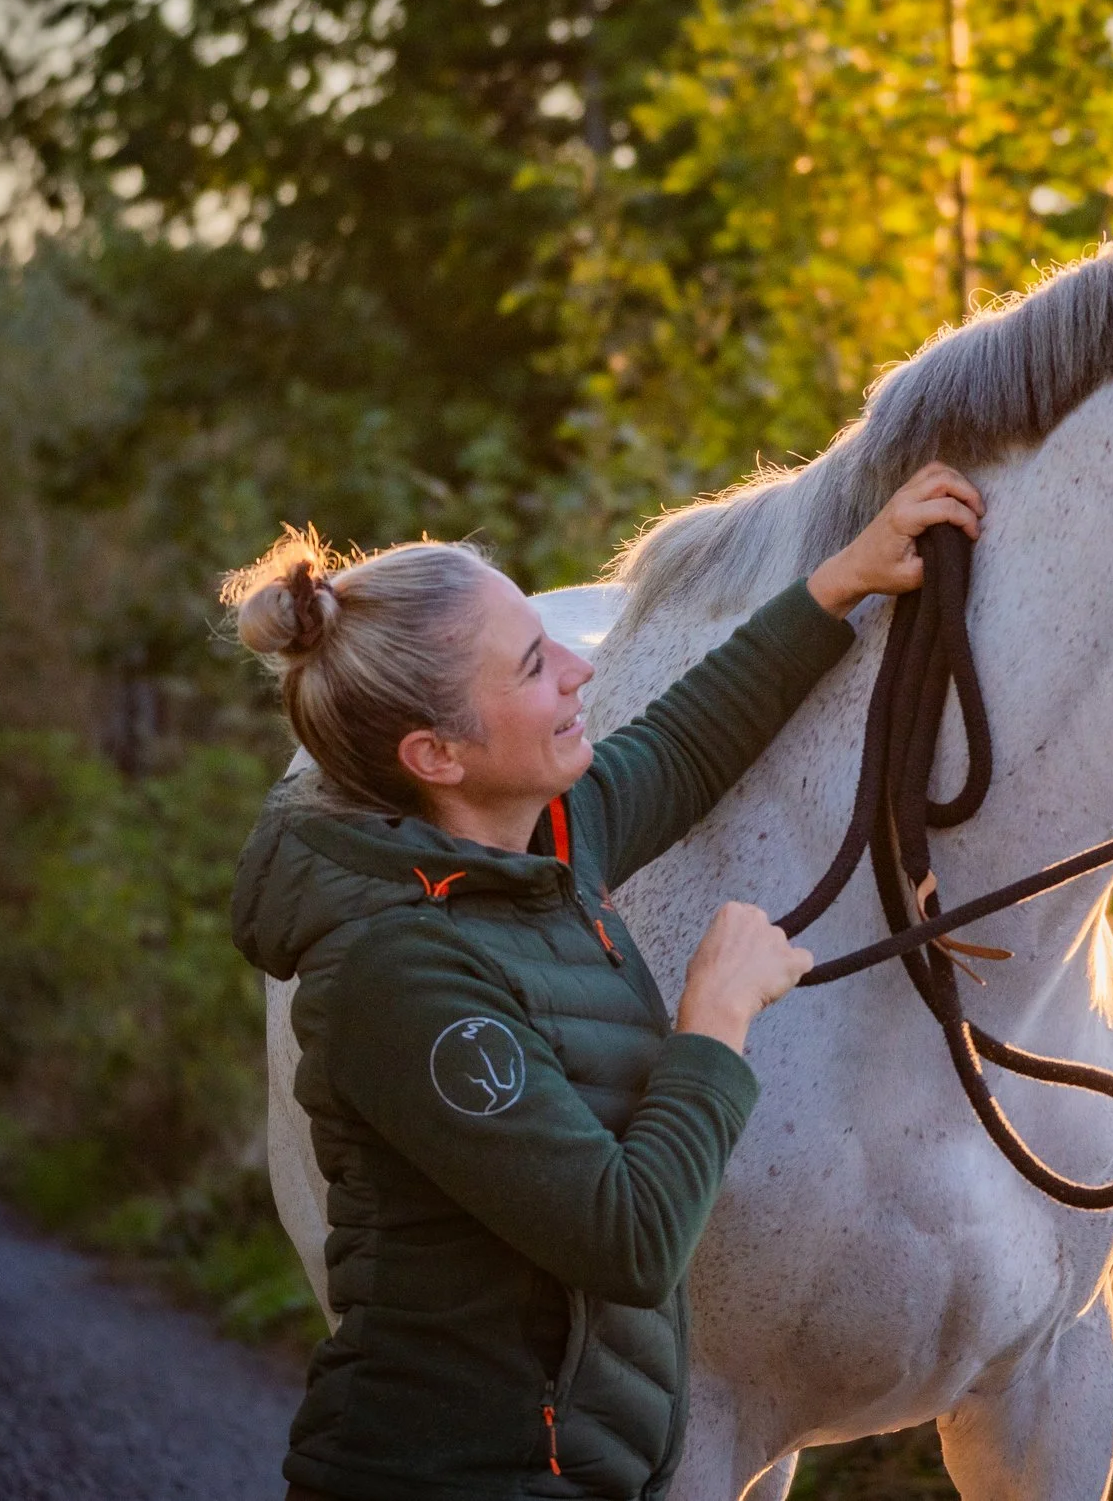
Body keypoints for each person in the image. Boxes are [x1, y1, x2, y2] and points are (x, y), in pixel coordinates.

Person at [225, 464, 983, 1501]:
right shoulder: (394, 973)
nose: (580, 673)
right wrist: (714, 1021)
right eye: (535, 666)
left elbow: (678, 748)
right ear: (436, 754)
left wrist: (838, 584)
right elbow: (625, 1237)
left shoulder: (535, 848)